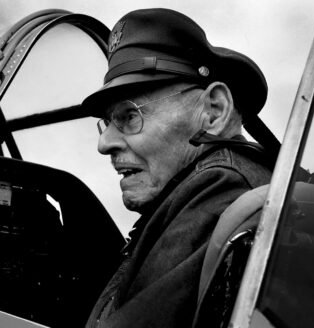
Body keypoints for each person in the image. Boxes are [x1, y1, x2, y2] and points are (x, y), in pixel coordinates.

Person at [81, 8, 273, 328]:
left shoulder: (219, 187)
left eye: (129, 116)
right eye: (107, 123)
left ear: (213, 111)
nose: (104, 144)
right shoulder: (202, 189)